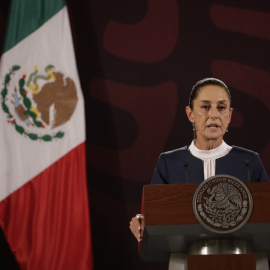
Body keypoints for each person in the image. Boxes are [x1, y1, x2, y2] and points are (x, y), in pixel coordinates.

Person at [129, 77, 269, 242]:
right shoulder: (169, 163)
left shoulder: (249, 162)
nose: (214, 115)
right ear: (190, 114)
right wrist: (141, 220)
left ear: (230, 115)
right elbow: (154, 217)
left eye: (221, 108)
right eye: (205, 107)